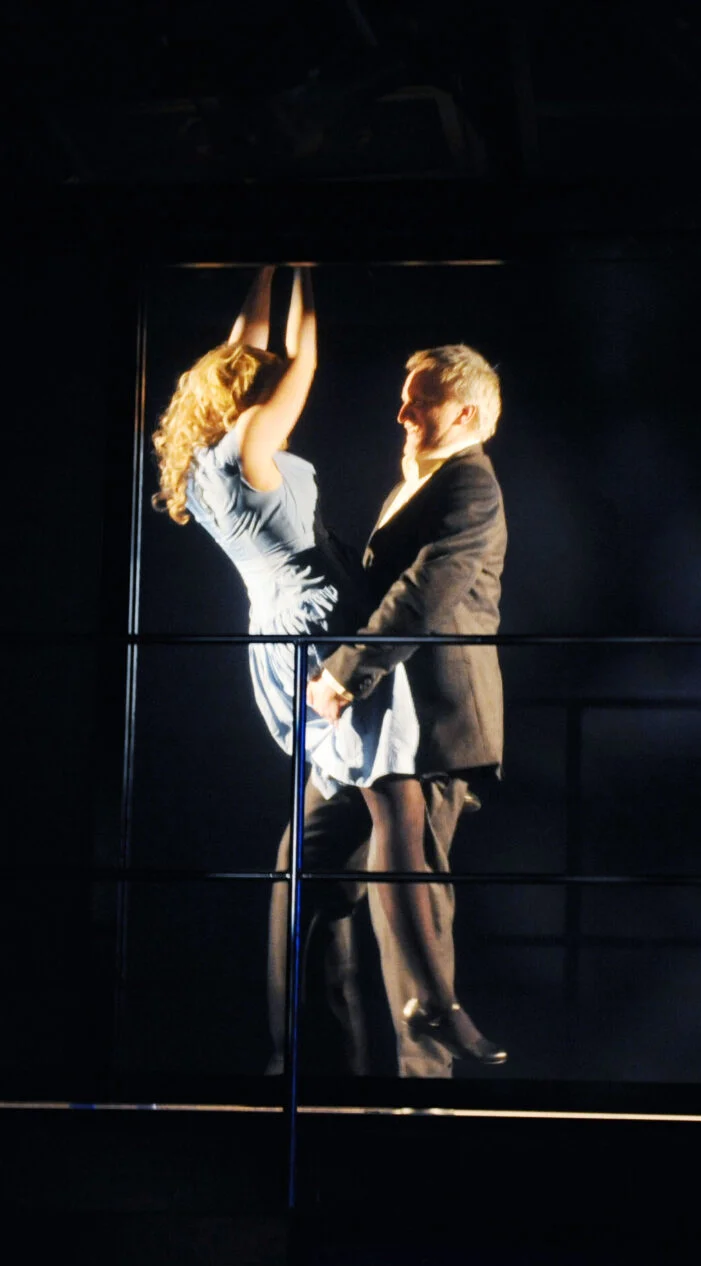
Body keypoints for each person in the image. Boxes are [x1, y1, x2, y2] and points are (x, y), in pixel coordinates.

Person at [152, 268, 495, 1077]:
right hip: (322, 639)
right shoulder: (248, 446)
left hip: (299, 635)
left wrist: (273, 269)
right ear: (249, 395)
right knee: (394, 808)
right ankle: (429, 1008)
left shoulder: (207, 455)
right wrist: (301, 265)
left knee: (318, 853)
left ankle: (317, 1051)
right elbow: (300, 360)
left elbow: (250, 344)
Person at [299, 342, 510, 1078]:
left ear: (467, 413)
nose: (402, 413)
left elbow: (422, 596)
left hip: (431, 729)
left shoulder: (471, 486)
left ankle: (422, 1099)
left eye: (421, 400)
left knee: (411, 915)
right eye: (406, 396)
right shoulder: (423, 480)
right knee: (308, 875)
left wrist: (343, 674)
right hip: (376, 730)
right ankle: (319, 1073)